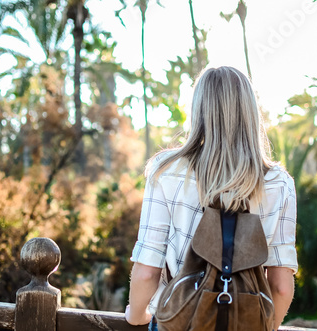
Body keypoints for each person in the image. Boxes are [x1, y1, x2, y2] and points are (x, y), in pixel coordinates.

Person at [125, 66, 297, 331]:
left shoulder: (167, 171)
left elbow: (148, 270)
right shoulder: (279, 183)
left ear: (200, 111)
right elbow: (281, 287)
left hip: (178, 323)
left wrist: (137, 316)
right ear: (250, 112)